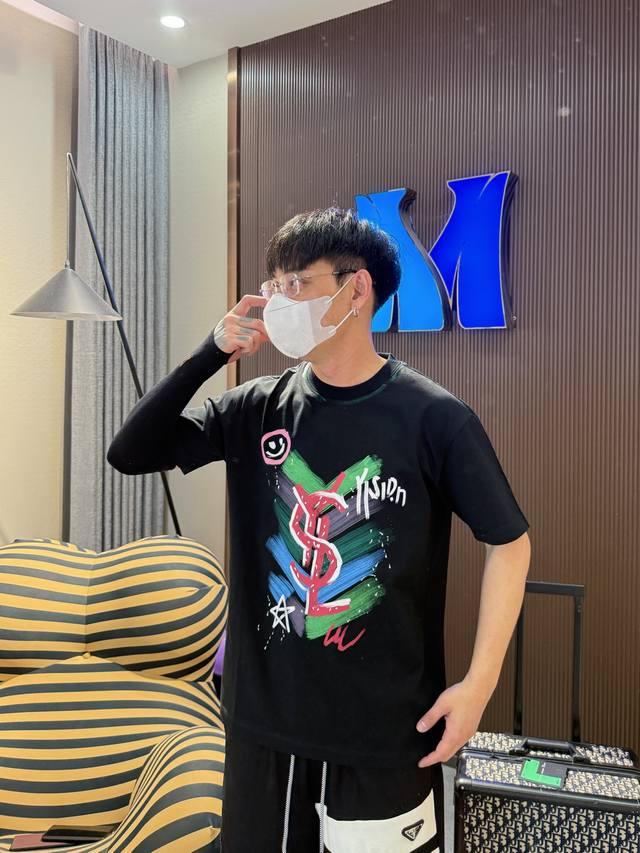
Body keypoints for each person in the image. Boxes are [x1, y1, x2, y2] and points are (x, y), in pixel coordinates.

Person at [107, 207, 531, 853]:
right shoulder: (256, 407)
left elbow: (509, 543)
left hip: (384, 729)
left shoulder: (434, 418)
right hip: (261, 728)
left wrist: (478, 685)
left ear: (356, 289)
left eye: (297, 283)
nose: (279, 301)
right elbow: (130, 452)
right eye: (274, 284)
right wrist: (211, 353)